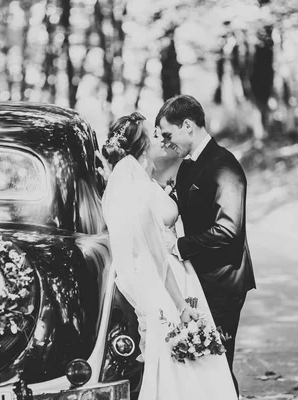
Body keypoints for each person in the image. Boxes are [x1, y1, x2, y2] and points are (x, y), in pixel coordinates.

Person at [101, 112, 237, 400]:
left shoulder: (133, 184)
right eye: (151, 135)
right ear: (139, 145)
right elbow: (156, 253)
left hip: (166, 277)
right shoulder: (139, 189)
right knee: (184, 361)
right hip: (168, 281)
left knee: (184, 360)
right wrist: (180, 305)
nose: (158, 140)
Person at [155, 95, 256, 396]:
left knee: (219, 364)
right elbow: (177, 206)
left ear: (187, 125)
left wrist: (181, 247)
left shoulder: (225, 166)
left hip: (224, 282)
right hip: (199, 281)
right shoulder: (187, 168)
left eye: (168, 134)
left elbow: (229, 231)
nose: (166, 142)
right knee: (203, 366)